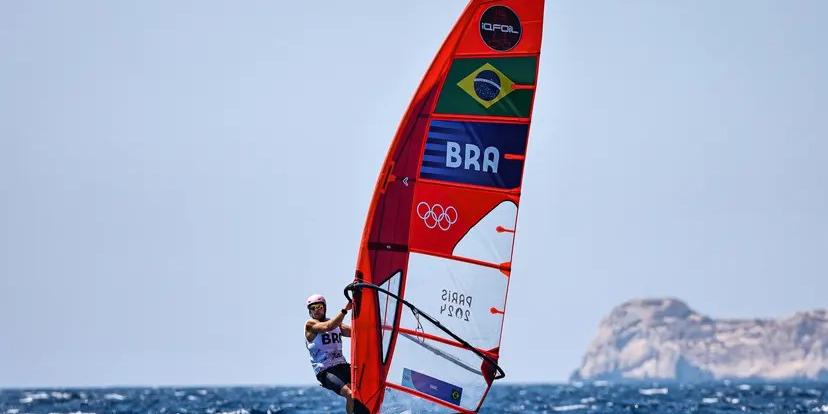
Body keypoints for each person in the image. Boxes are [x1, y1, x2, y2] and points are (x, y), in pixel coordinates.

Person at [305, 294, 354, 414]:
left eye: (319, 307)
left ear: (324, 308)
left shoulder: (337, 324)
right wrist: (345, 310)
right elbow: (328, 326)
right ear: (310, 311)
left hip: (342, 366)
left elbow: (355, 332)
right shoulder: (310, 325)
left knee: (366, 386)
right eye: (313, 308)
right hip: (326, 371)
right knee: (350, 394)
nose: (316, 310)